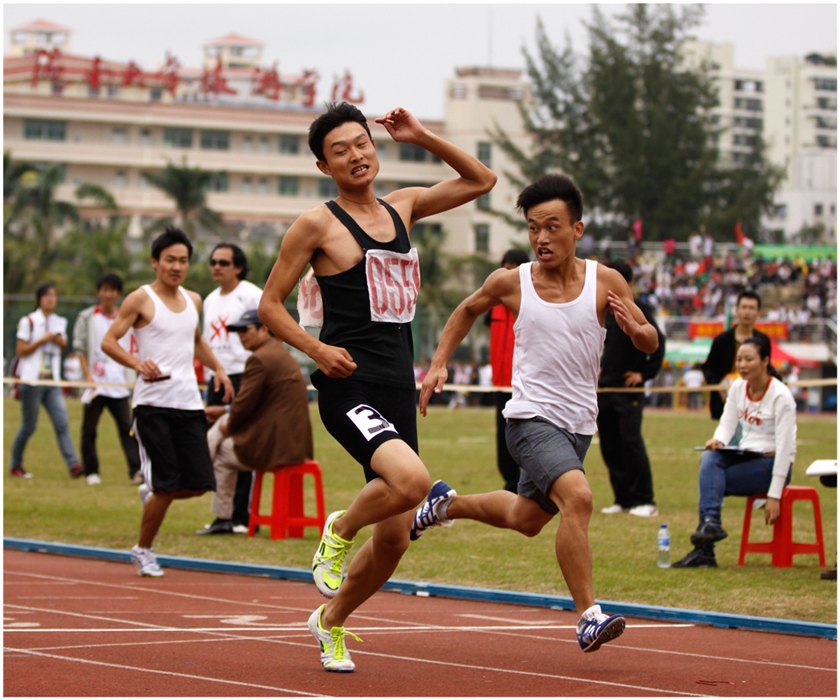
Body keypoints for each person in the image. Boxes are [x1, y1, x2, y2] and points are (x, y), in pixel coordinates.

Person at [258, 102, 496, 672]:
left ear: (374, 146)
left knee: (393, 540)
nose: (355, 156)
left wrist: (421, 136)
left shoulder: (405, 206)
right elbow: (270, 305)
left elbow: (481, 180)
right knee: (412, 481)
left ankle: (330, 622)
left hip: (396, 385)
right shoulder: (316, 224)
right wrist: (316, 350)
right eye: (340, 151)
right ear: (324, 166)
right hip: (347, 384)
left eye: (361, 144)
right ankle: (338, 530)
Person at [415, 174, 659, 653]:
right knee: (580, 499)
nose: (542, 238)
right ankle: (588, 615)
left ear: (577, 229)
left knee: (527, 518)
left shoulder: (605, 281)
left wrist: (637, 331)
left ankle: (444, 504)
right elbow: (467, 310)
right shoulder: (512, 281)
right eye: (532, 228)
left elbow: (649, 341)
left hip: (578, 425)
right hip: (529, 418)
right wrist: (439, 363)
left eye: (552, 227)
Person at [101, 226, 233, 578]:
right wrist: (136, 363)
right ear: (155, 262)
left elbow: (196, 340)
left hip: (188, 403)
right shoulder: (140, 299)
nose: (177, 267)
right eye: (170, 260)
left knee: (199, 483)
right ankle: (143, 549)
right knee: (167, 485)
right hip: (152, 406)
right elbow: (109, 341)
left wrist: (218, 368)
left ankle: (153, 491)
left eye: (184, 261)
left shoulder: (194, 300)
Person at [673, 336, 796, 568]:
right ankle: (711, 525)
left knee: (710, 480)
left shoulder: (781, 396)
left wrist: (774, 494)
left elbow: (786, 448)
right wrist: (718, 439)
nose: (742, 365)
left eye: (749, 359)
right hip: (745, 455)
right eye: (739, 359)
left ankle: (705, 551)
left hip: (771, 465)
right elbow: (727, 424)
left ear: (765, 361)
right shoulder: (738, 387)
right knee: (710, 456)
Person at [197, 309, 313, 534]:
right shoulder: (276, 353)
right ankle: (200, 465)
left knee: (221, 451)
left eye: (246, 330)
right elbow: (252, 404)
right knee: (220, 430)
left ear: (264, 329)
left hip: (274, 447)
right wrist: (225, 411)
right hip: (293, 444)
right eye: (238, 331)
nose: (241, 335)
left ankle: (211, 495)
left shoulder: (259, 359)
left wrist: (228, 425)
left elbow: (244, 407)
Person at [203, 243, 264, 532]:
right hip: (217, 377)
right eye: (213, 262)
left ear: (238, 267)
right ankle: (223, 514)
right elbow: (206, 341)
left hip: (245, 375)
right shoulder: (209, 300)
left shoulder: (251, 295)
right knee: (217, 444)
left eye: (223, 262)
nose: (216, 267)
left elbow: (268, 330)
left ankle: (242, 515)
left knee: (240, 444)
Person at [597, 259, 665, 517]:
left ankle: (645, 500)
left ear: (628, 283)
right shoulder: (605, 311)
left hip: (629, 393)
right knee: (610, 445)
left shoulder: (640, 309)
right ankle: (622, 498)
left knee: (631, 443)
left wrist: (644, 374)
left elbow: (658, 345)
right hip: (605, 389)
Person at [73, 273, 141, 485]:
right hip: (96, 384)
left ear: (118, 294)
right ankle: (91, 471)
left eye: (112, 290)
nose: (108, 294)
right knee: (89, 429)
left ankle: (136, 470)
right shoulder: (88, 317)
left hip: (119, 383)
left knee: (127, 427)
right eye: (104, 290)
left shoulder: (124, 317)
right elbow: (81, 348)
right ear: (98, 292)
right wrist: (89, 376)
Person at [10, 284, 83, 479]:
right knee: (29, 425)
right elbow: (21, 350)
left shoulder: (60, 321)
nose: (51, 299)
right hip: (32, 381)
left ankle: (73, 464)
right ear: (39, 299)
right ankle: (15, 464)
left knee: (62, 423)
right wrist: (42, 340)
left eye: (54, 295)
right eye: (47, 295)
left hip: (52, 382)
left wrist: (60, 342)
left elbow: (62, 347)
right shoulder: (29, 321)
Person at [484, 248, 530, 492]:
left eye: (514, 266)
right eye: (506, 266)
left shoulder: (529, 301)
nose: (509, 271)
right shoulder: (493, 304)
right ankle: (510, 481)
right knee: (502, 435)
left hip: (525, 382)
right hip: (500, 382)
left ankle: (532, 479)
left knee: (529, 432)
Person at [701, 290, 769, 420]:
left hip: (755, 402)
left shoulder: (763, 341)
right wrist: (718, 384)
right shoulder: (722, 340)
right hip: (726, 401)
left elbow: (767, 369)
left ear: (759, 313)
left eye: (751, 308)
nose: (747, 312)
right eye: (743, 307)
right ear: (737, 311)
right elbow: (709, 368)